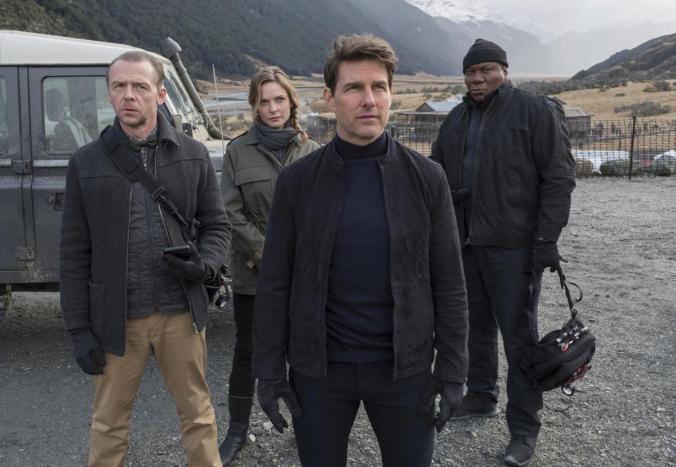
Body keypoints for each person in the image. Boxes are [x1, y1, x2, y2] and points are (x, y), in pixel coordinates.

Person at [253, 34, 469, 467]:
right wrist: (270, 371)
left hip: (404, 369)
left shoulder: (427, 179)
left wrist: (451, 371)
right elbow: (275, 282)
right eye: (354, 88)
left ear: (390, 94)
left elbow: (449, 282)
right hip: (319, 371)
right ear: (329, 97)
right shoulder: (298, 182)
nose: (369, 100)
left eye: (379, 87)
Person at [59, 50, 230, 467]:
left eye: (139, 86)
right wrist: (79, 329)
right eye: (119, 86)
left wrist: (206, 265)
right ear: (109, 93)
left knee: (198, 416)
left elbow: (217, 226)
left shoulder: (193, 154)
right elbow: (74, 252)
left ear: (160, 93)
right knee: (108, 423)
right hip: (116, 317)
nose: (128, 95)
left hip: (180, 311)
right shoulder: (86, 162)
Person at [430, 39, 576, 466]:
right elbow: (436, 173)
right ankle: (481, 396)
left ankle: (525, 428)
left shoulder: (535, 111)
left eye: (487, 70)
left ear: (504, 71)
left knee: (519, 339)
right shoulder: (455, 119)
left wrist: (546, 240)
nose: (477, 79)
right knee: (473, 328)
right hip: (465, 244)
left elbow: (559, 176)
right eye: (471, 72)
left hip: (515, 248)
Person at [218, 66, 319, 464]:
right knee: (248, 350)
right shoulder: (237, 151)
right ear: (255, 107)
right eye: (265, 101)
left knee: (304, 351)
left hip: (305, 274)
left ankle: (309, 427)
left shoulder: (313, 152)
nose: (273, 108)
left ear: (292, 102)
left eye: (280, 99)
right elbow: (231, 211)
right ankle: (237, 429)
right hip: (253, 274)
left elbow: (324, 213)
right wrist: (267, 255)